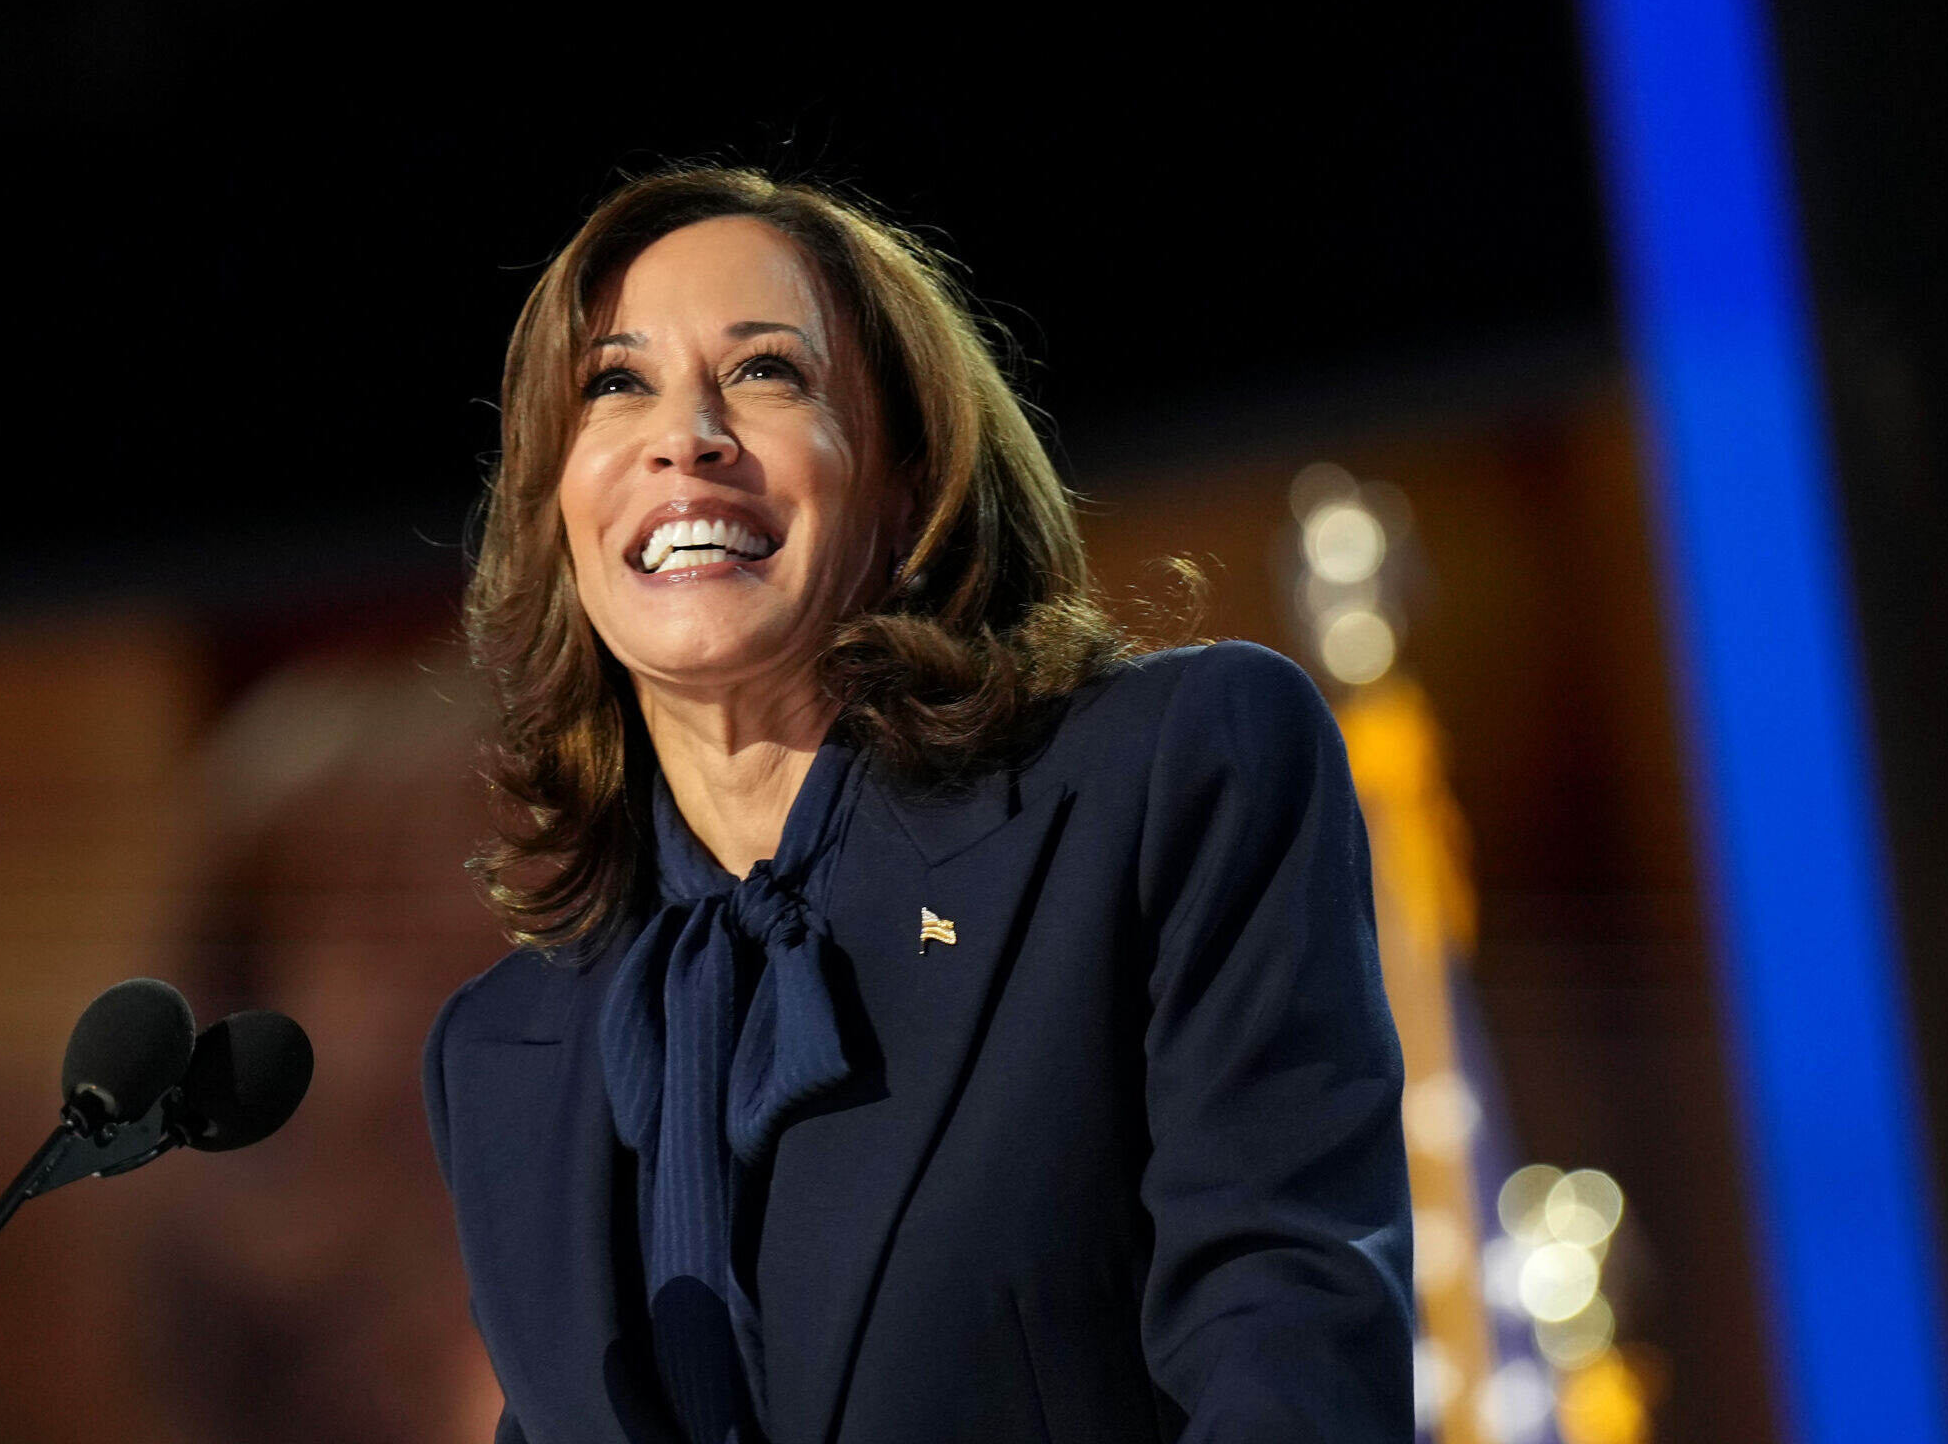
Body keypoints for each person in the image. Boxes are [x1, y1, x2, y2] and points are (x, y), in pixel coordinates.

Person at [425, 166, 1413, 1444]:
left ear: (909, 478)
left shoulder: (1167, 776)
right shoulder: (508, 1050)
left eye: (766, 372)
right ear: (557, 510)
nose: (685, 435)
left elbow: (1288, 1349)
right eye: (615, 384)